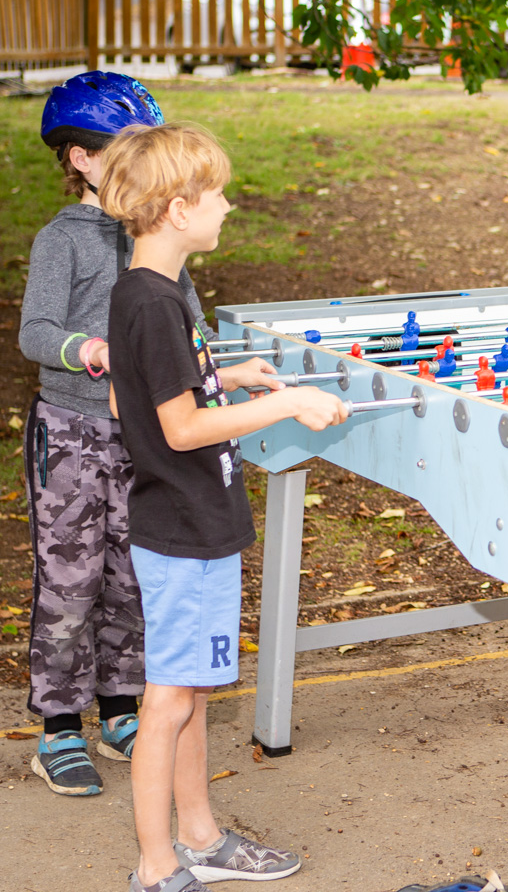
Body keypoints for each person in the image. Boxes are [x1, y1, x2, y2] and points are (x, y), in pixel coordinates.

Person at [101, 123, 349, 891]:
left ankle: (200, 839)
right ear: (178, 208)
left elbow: (127, 396)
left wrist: (226, 378)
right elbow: (176, 427)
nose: (230, 205)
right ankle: (156, 866)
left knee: (193, 693)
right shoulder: (153, 303)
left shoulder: (152, 291)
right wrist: (290, 404)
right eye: (217, 194)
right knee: (170, 701)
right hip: (183, 535)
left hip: (187, 526)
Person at [19, 72, 213, 796]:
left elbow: (186, 318)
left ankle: (121, 711)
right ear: (78, 159)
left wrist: (204, 359)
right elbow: (35, 331)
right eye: (118, 150)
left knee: (135, 578)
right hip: (70, 434)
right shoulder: (60, 241)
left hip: (143, 439)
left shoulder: (155, 235)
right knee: (70, 584)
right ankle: (59, 727)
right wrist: (90, 349)